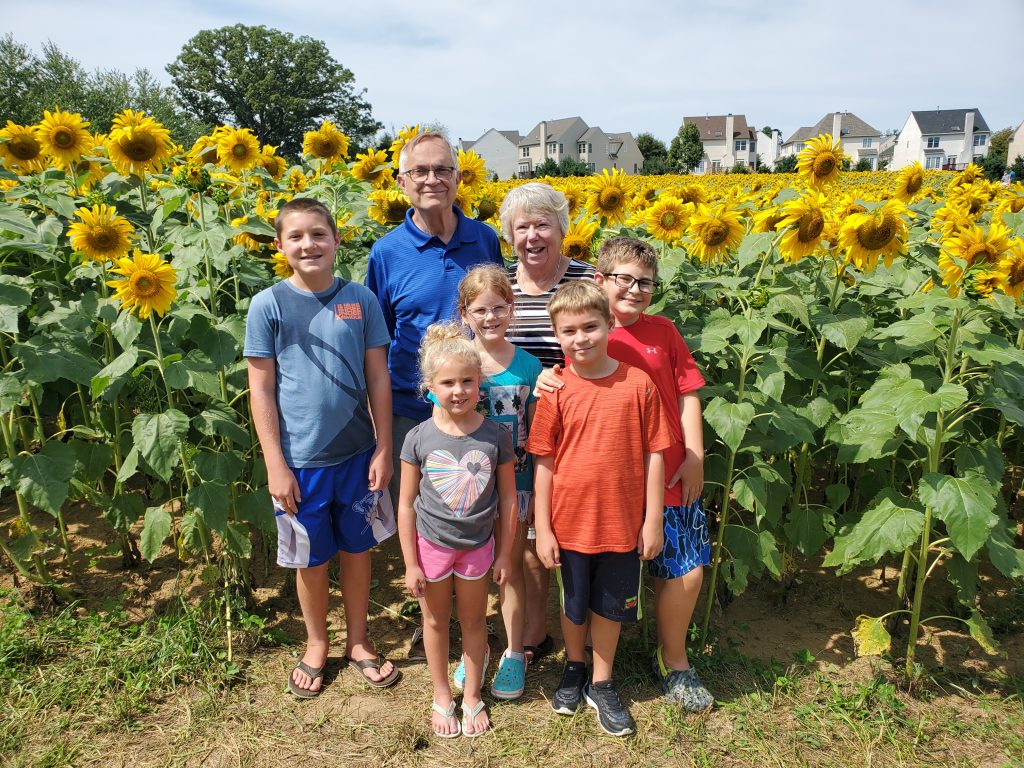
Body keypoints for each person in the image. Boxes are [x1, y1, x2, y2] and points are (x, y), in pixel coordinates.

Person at [539, 237, 713, 711]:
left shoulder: (663, 332)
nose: (635, 289)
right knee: (596, 572)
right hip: (603, 479)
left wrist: (694, 452)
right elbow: (563, 377)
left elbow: (687, 393)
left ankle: (673, 658)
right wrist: (545, 377)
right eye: (624, 279)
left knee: (685, 570)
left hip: (666, 466)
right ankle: (591, 662)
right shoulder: (589, 329)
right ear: (599, 280)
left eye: (645, 283)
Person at [245, 197, 400, 698]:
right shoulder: (268, 304)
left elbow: (379, 376)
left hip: (358, 455)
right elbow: (261, 388)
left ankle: (358, 641)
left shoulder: (359, 299)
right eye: (297, 236)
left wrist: (383, 448)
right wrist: (274, 463)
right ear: (280, 246)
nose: (308, 244)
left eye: (318, 234)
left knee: (358, 549)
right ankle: (317, 643)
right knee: (310, 559)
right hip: (300, 462)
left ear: (338, 240)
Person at [367, 131, 503, 659]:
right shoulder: (386, 251)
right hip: (409, 405)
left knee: (476, 501)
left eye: (441, 169)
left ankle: (474, 616)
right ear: (402, 183)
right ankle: (431, 617)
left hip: (474, 400)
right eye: (419, 172)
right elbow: (375, 335)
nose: (431, 180)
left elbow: (493, 307)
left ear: (458, 177)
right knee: (424, 509)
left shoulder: (484, 239)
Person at [527, 280, 671, 737]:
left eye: (590, 326)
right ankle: (574, 666)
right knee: (573, 604)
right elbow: (544, 462)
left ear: (610, 324)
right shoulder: (555, 391)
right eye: (569, 331)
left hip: (623, 522)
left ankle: (602, 681)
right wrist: (543, 529)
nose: (581, 338)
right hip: (569, 522)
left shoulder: (638, 385)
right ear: (557, 336)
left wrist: (653, 520)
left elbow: (655, 454)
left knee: (611, 605)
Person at [398, 323, 517, 737]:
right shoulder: (418, 438)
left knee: (473, 621)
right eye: (447, 382)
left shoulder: (495, 436)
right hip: (431, 548)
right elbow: (405, 504)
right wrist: (410, 562)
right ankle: (441, 696)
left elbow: (507, 500)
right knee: (434, 621)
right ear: (430, 386)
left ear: (480, 382)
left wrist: (504, 554)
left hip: (478, 548)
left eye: (467, 380)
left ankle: (471, 696)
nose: (459, 390)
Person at [500, 182, 596, 663]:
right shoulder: (502, 286)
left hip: (579, 418)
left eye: (543, 224)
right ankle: (536, 633)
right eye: (523, 227)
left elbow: (605, 347)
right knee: (529, 529)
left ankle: (589, 629)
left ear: (562, 229)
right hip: (515, 424)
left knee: (580, 521)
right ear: (509, 235)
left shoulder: (585, 279)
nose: (533, 236)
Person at [446, 264, 542, 700]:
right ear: (465, 313)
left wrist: (539, 487)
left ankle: (516, 652)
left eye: (499, 309)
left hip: (515, 486)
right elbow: (440, 424)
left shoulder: (528, 365)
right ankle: (478, 649)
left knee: (509, 567)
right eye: (480, 310)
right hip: (467, 488)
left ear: (513, 308)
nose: (490, 318)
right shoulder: (457, 362)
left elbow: (537, 431)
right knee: (472, 572)